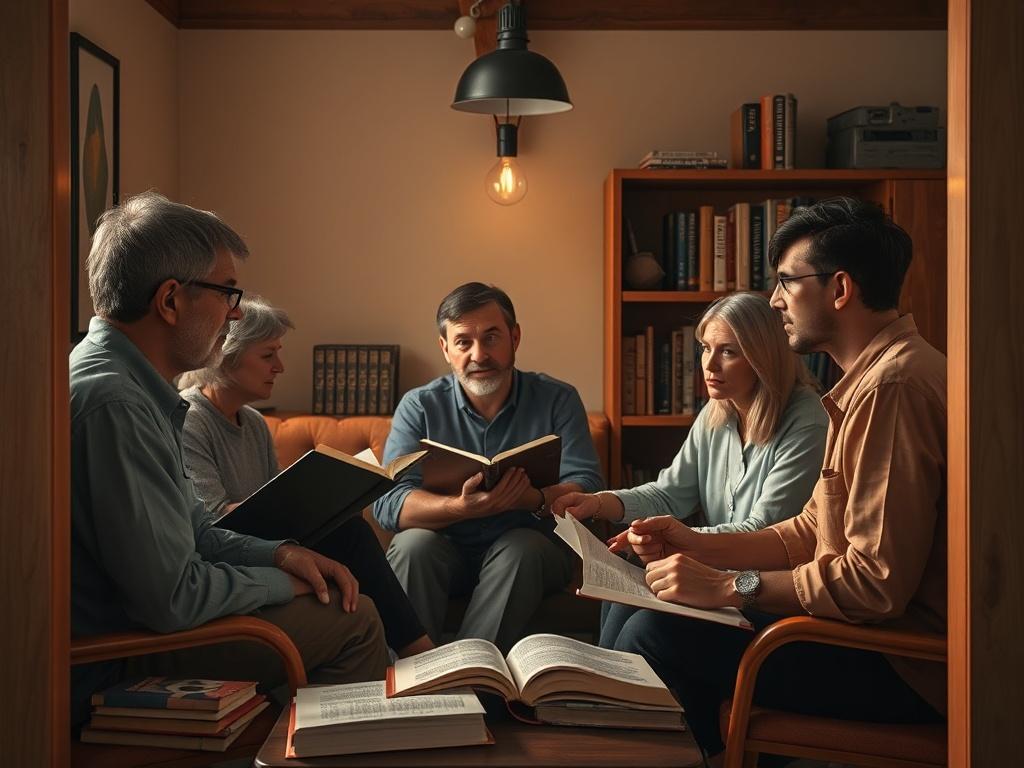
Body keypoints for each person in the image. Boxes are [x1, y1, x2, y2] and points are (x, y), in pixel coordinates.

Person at [599, 198, 947, 764]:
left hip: (902, 664)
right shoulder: (866, 383)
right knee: (647, 598)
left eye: (787, 281)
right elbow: (808, 531)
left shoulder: (893, 389)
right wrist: (691, 541)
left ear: (840, 289)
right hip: (857, 634)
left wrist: (726, 586)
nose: (775, 300)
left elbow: (874, 585)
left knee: (654, 633)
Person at [70, 192, 388, 726]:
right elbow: (172, 597)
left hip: (143, 629)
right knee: (355, 623)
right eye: (226, 292)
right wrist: (282, 584)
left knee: (335, 596)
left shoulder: (135, 389)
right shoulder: (116, 404)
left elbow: (197, 530)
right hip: (117, 656)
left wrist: (281, 556)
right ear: (170, 301)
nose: (235, 312)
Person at [551, 292, 827, 649]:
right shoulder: (717, 411)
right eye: (705, 348)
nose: (709, 365)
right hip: (712, 578)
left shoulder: (808, 420)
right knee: (625, 581)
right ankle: (611, 693)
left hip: (761, 595)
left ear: (764, 357)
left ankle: (616, 695)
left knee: (643, 609)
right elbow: (669, 493)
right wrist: (599, 503)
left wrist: (668, 540)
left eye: (728, 351)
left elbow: (761, 532)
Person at [178, 296, 433, 658]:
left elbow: (275, 496)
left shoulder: (252, 422)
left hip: (270, 543)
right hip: (227, 556)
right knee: (352, 534)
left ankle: (412, 653)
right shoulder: (190, 419)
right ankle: (419, 652)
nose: (279, 367)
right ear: (225, 357)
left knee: (348, 526)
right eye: (268, 356)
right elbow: (213, 521)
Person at [372, 282, 605, 652]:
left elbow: (587, 484)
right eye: (463, 342)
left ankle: (468, 679)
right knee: (412, 545)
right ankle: (410, 679)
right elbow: (388, 504)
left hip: (531, 549)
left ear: (515, 337)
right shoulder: (419, 406)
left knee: (520, 548)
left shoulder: (558, 398)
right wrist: (459, 508)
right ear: (445, 349)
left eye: (491, 337)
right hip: (444, 548)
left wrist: (534, 498)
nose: (479, 354)